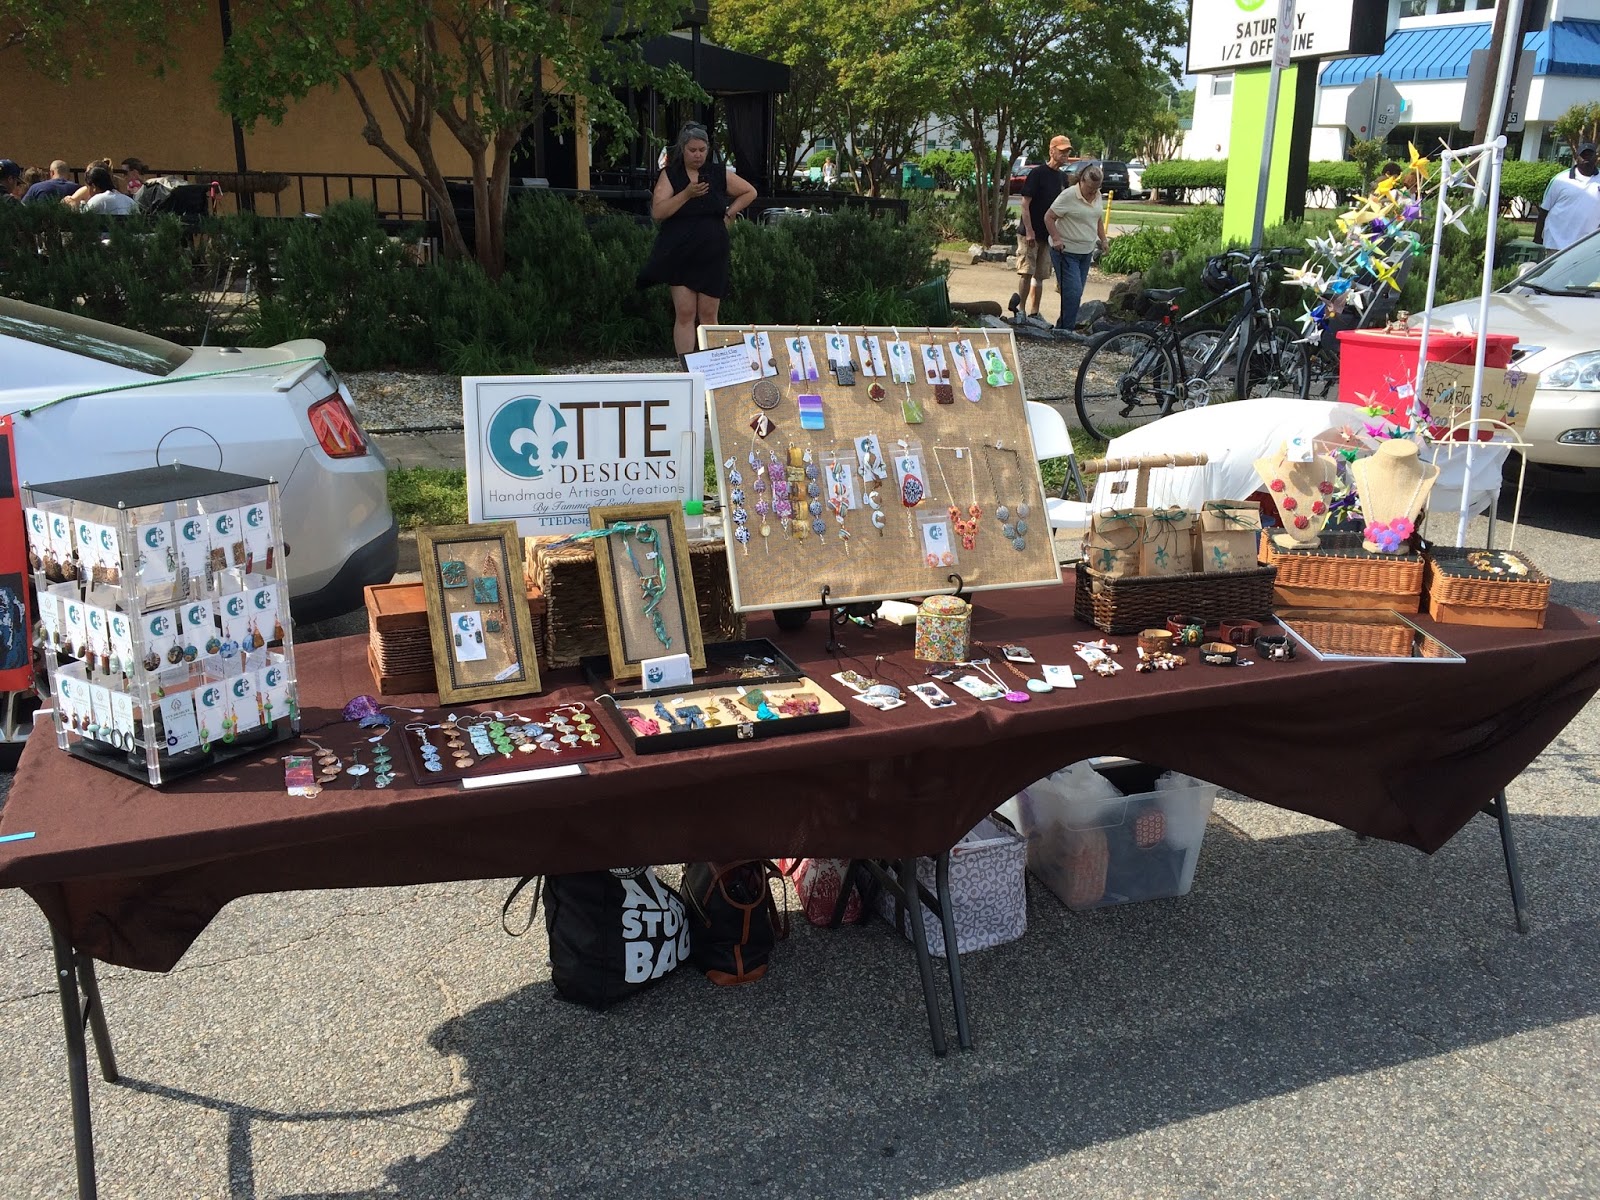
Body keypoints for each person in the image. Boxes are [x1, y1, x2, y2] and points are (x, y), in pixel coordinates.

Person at [638, 122, 757, 358]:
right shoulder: (671, 175)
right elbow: (658, 212)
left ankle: (714, 367)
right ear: (683, 149)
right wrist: (686, 194)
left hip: (712, 249)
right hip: (680, 250)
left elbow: (749, 192)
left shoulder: (717, 173)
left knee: (709, 313)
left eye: (702, 150)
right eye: (693, 150)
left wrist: (730, 213)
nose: (698, 155)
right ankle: (686, 367)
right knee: (684, 312)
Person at [1010, 135, 1073, 325]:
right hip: (1030, 232)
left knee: (1041, 274)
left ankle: (1034, 312)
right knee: (1026, 271)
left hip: (1048, 235)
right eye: (1062, 151)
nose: (1065, 155)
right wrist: (1029, 230)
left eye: (1067, 151)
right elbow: (1025, 204)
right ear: (1052, 151)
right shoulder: (1037, 173)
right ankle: (1020, 310)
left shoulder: (1063, 178)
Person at [1043, 160, 1109, 337]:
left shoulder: (1097, 195)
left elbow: (1098, 219)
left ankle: (1062, 327)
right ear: (1081, 181)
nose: (1092, 193)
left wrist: (1103, 240)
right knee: (1073, 291)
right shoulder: (1068, 195)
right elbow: (1048, 217)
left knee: (1074, 293)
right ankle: (1067, 331)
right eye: (1089, 189)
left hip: (1085, 252)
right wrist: (1056, 238)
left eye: (1096, 189)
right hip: (1066, 251)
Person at [1535, 142, 1600, 252]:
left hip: (1585, 247)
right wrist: (1537, 238)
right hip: (1555, 244)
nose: (1587, 159)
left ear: (1596, 158)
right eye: (1583, 156)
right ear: (1576, 158)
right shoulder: (1560, 180)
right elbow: (1544, 211)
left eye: (1590, 156)